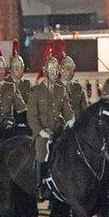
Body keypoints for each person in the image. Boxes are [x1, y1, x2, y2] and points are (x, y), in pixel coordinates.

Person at [28, 51, 74, 200]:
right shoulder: (36, 91)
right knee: (42, 150)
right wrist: (40, 131)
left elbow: (66, 109)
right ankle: (39, 185)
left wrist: (71, 119)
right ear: (46, 72)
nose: (56, 75)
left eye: (57, 72)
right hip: (42, 132)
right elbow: (32, 116)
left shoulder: (61, 89)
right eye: (53, 72)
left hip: (57, 128)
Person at [59, 42, 88, 118]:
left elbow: (84, 108)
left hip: (78, 125)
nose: (66, 72)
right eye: (63, 69)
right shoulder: (54, 87)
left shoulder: (77, 87)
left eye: (69, 70)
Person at [8, 39, 31, 108]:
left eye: (22, 68)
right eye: (17, 68)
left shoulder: (27, 84)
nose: (20, 71)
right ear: (10, 69)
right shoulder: (5, 84)